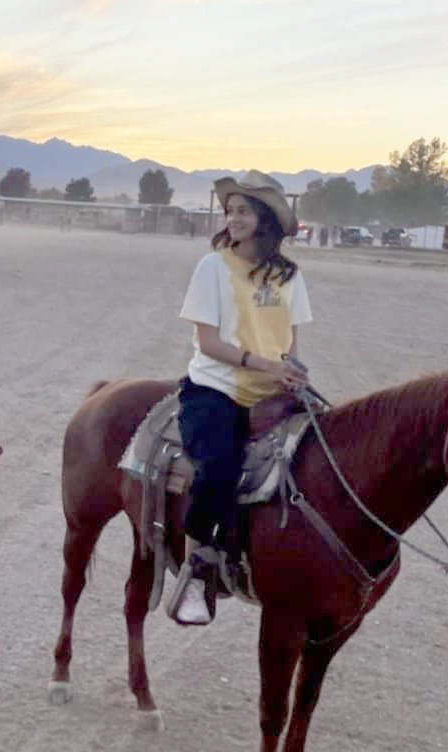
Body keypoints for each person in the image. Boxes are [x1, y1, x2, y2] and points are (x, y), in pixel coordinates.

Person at [166, 170, 312, 625]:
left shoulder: (289, 275)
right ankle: (194, 572)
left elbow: (291, 338)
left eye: (244, 211)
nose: (233, 218)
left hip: (273, 390)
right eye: (230, 211)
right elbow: (208, 343)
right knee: (219, 465)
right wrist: (265, 365)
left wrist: (292, 371)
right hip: (217, 388)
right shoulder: (213, 267)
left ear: (265, 218)